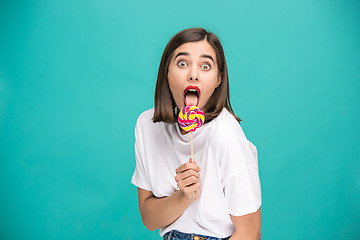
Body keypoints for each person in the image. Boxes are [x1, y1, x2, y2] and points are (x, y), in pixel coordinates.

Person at [131, 27, 262, 240]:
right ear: (167, 71)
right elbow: (149, 218)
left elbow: (250, 233)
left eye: (205, 66)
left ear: (218, 79)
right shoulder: (147, 125)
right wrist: (184, 196)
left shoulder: (225, 136)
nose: (193, 74)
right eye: (182, 64)